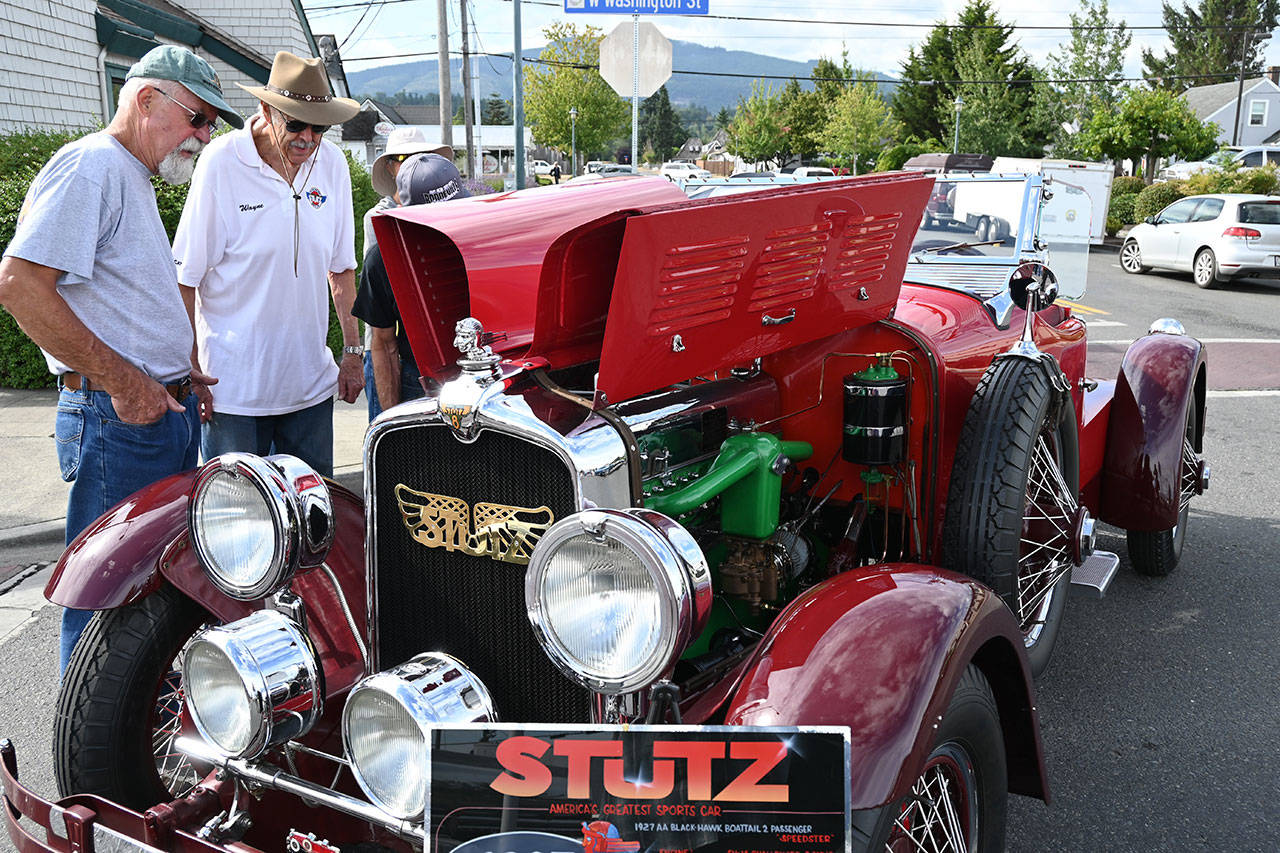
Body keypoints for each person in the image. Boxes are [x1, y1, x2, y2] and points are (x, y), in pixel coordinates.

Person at [0, 45, 241, 671]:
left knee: (142, 592)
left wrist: (176, 370)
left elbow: (121, 297)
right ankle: (90, 762)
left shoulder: (121, 171)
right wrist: (126, 383)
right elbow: (20, 285)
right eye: (197, 117)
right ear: (144, 99)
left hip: (145, 411)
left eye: (210, 123)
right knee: (107, 601)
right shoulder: (93, 166)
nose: (204, 134)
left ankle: (119, 742)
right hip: (120, 420)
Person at [173, 51, 363, 477]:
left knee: (314, 522)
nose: (309, 138)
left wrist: (353, 352)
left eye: (320, 127)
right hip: (234, 396)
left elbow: (342, 270)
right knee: (237, 532)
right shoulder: (220, 163)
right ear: (265, 109)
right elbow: (185, 278)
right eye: (295, 124)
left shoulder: (331, 165)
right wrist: (190, 367)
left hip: (310, 389)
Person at [353, 153, 470, 410]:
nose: (450, 219)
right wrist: (392, 416)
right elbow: (382, 342)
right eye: (438, 213)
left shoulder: (481, 240)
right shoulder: (384, 258)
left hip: (486, 374)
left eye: (456, 206)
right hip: (420, 381)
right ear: (409, 212)